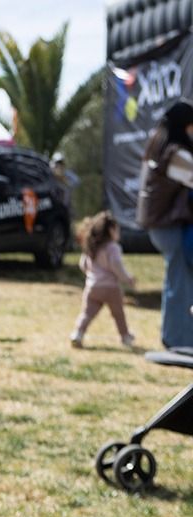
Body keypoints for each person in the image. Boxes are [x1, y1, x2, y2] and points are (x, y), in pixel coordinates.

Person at [137, 98, 193, 349]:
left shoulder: (161, 147)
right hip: (167, 227)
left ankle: (179, 337)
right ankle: (177, 340)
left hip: (161, 226)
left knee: (179, 281)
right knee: (178, 283)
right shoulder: (175, 153)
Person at [71, 212, 136, 349]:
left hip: (92, 287)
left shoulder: (91, 246)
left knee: (87, 313)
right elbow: (116, 266)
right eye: (117, 230)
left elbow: (83, 264)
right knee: (118, 314)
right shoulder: (112, 248)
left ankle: (77, 333)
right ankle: (125, 337)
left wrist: (92, 275)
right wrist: (127, 279)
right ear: (111, 230)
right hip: (111, 287)